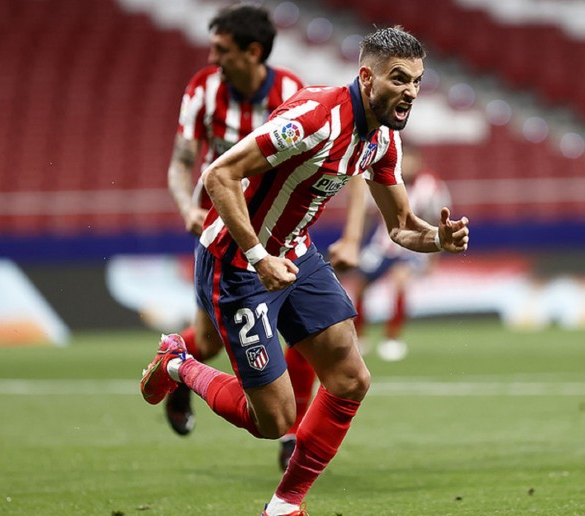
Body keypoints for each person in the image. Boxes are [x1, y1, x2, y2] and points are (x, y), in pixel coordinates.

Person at [141, 25, 470, 515]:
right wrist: (257, 256)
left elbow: (401, 226)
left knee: (351, 378)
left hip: (294, 254)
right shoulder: (315, 117)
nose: (410, 92)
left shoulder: (383, 140)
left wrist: (437, 239)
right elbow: (218, 176)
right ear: (366, 77)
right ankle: (176, 364)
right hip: (236, 261)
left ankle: (285, 504)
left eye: (417, 81)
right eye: (399, 79)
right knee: (272, 420)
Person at [164, 3, 314, 470]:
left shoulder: (292, 92)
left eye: (222, 49)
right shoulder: (204, 90)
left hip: (279, 231)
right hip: (219, 237)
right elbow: (181, 162)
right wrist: (187, 207)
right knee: (207, 342)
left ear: (253, 52)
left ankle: (293, 434)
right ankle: (179, 374)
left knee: (311, 332)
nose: (212, 57)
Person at [350, 145, 452, 361]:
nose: (408, 165)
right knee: (359, 285)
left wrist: (434, 257)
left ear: (420, 162)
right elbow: (368, 215)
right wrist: (357, 244)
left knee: (399, 280)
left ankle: (392, 339)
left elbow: (438, 221)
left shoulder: (431, 186)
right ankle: (359, 336)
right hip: (381, 246)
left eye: (412, 161)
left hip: (413, 247)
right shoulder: (382, 180)